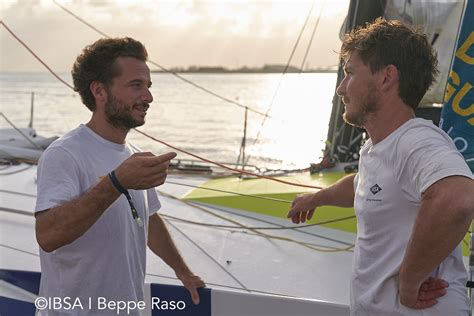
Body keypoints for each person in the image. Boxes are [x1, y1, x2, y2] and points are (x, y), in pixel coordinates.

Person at [287, 18, 474, 315]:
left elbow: (457, 198)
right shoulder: (378, 147)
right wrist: (317, 198)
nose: (341, 88)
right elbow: (364, 183)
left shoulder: (416, 140)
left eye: (349, 73)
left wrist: (410, 280)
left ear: (386, 78)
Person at [35, 37, 205, 315]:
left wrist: (183, 272)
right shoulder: (64, 153)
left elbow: (148, 219)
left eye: (148, 87)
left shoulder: (133, 155)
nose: (148, 97)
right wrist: (116, 183)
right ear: (99, 91)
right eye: (136, 85)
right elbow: (48, 235)